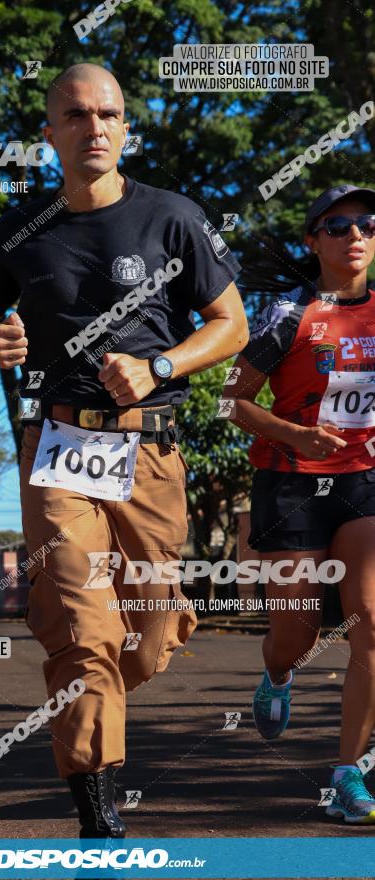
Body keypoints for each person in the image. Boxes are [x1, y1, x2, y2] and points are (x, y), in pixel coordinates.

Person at [0, 63, 248, 836]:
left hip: (149, 452)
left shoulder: (172, 218)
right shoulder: (21, 225)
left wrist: (158, 366)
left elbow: (231, 324)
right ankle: (97, 804)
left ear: (126, 128)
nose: (94, 128)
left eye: (107, 114)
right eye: (76, 116)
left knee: (149, 633)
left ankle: (107, 687)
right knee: (82, 628)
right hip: (56, 448)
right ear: (50, 133)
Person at [226, 184, 375, 823]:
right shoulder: (288, 315)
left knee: (371, 622)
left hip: (363, 480)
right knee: (297, 630)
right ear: (313, 240)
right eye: (337, 226)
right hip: (290, 483)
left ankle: (348, 774)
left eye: (367, 223)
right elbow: (232, 401)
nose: (356, 235)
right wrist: (295, 434)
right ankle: (278, 675)